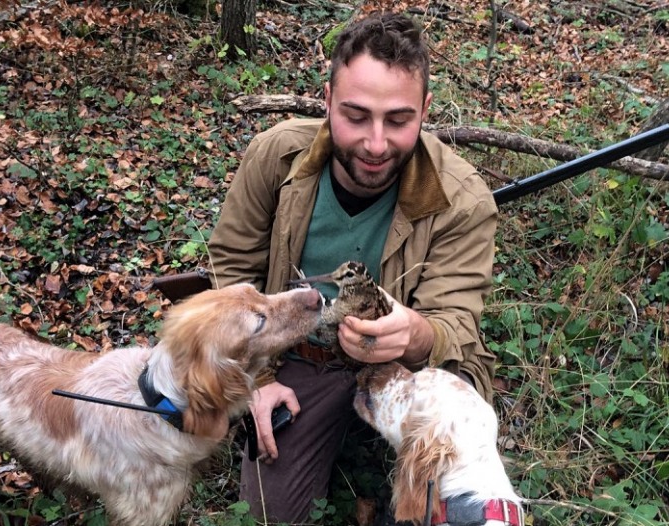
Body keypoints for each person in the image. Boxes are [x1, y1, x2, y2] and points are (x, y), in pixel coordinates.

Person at [206, 12, 498, 523]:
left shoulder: (464, 197)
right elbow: (234, 270)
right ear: (327, 101)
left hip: (406, 371)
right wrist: (259, 377)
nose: (377, 143)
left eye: (399, 120)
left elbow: (456, 322)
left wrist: (414, 333)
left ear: (426, 110)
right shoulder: (276, 157)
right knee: (273, 515)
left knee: (460, 497)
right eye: (356, 115)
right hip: (302, 357)